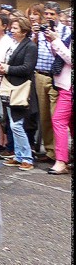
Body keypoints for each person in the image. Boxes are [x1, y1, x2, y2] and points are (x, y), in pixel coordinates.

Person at [0, 15, 39, 170]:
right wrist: (2, 68)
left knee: (17, 125)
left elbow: (27, 68)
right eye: (11, 28)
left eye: (15, 28)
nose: (12, 30)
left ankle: (26, 157)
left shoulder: (30, 46)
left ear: (24, 31)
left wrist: (7, 68)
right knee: (13, 124)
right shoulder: (14, 44)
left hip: (21, 89)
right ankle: (19, 156)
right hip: (11, 87)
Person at [45, 24, 72, 175]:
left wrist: (56, 41)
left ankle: (61, 161)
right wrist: (53, 41)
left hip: (69, 88)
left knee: (58, 120)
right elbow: (60, 56)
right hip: (65, 86)